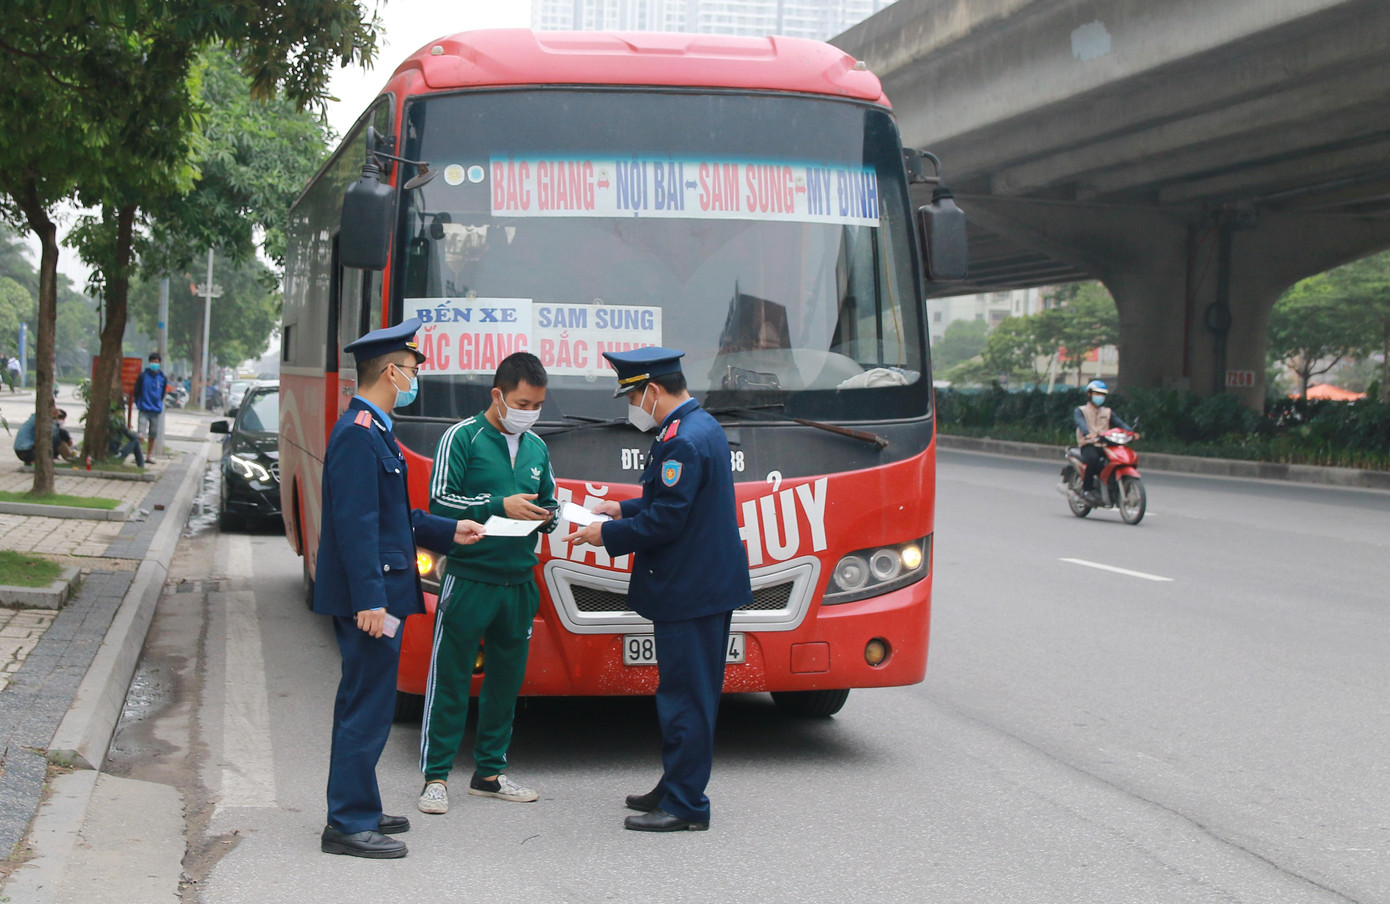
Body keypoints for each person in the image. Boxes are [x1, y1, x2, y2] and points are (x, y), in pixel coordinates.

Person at [314, 318, 486, 860]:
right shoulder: (357, 437)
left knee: (370, 703)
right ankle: (347, 822)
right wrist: (369, 597)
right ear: (391, 371)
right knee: (364, 707)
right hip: (373, 597)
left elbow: (394, 517)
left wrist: (447, 529)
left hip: (382, 590)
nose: (415, 379)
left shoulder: (375, 429)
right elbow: (355, 524)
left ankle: (360, 804)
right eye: (411, 370)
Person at [565, 347, 752, 832]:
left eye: (633, 394)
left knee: (686, 697)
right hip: (700, 586)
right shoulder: (692, 427)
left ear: (652, 390)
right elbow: (666, 499)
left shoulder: (682, 440)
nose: (632, 405)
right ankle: (676, 785)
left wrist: (603, 535)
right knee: (683, 692)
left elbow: (668, 521)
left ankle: (686, 804)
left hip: (691, 591)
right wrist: (620, 510)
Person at [416, 351, 558, 815]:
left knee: (505, 682)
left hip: (519, 580)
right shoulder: (462, 437)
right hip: (470, 577)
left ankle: (490, 773)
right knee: (452, 678)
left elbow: (548, 501)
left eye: (537, 405)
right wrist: (498, 505)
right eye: (522, 402)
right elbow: (440, 503)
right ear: (497, 395)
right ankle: (435, 777)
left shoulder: (537, 447)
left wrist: (551, 516)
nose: (530, 413)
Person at [1073, 379, 1132, 505]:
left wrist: (1130, 432)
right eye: (1097, 394)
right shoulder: (1081, 410)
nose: (1100, 397)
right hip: (1088, 444)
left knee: (1116, 460)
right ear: (1089, 394)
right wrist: (1087, 434)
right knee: (1093, 459)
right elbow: (1081, 423)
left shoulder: (1107, 412)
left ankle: (1110, 487)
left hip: (1105, 444)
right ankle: (1087, 490)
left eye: (1102, 394)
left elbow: (1120, 423)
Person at [133, 352, 169, 462]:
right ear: (149, 362)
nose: (154, 364)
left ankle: (148, 456)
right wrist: (139, 403)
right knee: (140, 433)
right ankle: (138, 456)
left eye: (156, 362)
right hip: (144, 409)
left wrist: (158, 403)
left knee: (152, 435)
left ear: (159, 363)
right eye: (153, 362)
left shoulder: (162, 377)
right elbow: (137, 391)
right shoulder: (143, 376)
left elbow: (162, 393)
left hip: (156, 410)